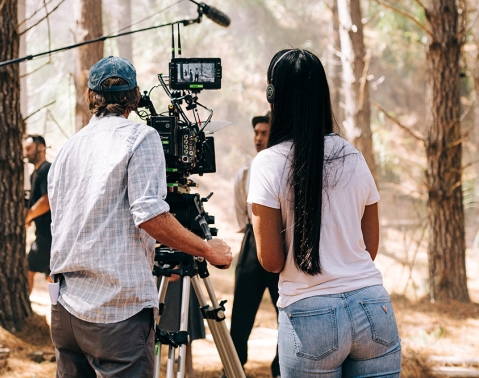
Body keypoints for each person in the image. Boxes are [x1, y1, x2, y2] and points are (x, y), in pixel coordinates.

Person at [48, 56, 234, 378]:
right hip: (114, 312)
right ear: (134, 97)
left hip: (65, 312)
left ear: (90, 96)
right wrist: (206, 249)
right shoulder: (140, 136)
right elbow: (149, 214)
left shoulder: (68, 147)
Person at [249, 49, 401, 377]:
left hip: (309, 316)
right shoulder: (353, 156)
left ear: (273, 95)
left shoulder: (267, 163)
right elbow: (369, 248)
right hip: (373, 307)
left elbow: (272, 261)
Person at [230, 113, 280, 377]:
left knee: (286, 307)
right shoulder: (245, 174)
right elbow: (242, 217)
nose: (259, 138)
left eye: (265, 133)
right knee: (241, 311)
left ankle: (282, 368)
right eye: (257, 133)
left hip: (282, 242)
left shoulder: (286, 169)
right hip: (251, 244)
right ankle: (234, 366)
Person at [23, 134, 52, 294]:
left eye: (29, 149)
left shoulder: (47, 169)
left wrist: (28, 217)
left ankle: (24, 308)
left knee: (28, 268)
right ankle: (59, 310)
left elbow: (46, 201)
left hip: (49, 234)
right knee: (52, 277)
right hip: (43, 233)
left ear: (40, 147)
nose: (26, 153)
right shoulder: (33, 175)